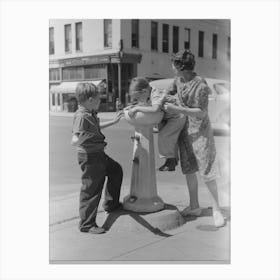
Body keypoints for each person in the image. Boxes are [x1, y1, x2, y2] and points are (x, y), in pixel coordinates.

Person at [163, 49, 225, 227]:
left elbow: (201, 112)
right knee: (189, 169)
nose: (172, 67)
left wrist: (177, 109)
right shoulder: (178, 80)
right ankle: (194, 205)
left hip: (201, 133)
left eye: (174, 64)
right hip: (184, 131)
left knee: (207, 171)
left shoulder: (201, 85)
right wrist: (167, 98)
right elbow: (171, 93)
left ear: (181, 66)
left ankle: (217, 210)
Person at [71, 82, 124, 234]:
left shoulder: (89, 113)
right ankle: (87, 225)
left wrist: (113, 121)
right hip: (90, 157)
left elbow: (95, 128)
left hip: (98, 154)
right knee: (91, 190)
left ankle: (111, 204)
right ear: (90, 100)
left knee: (115, 170)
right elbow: (74, 139)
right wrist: (79, 140)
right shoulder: (82, 116)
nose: (100, 101)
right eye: (98, 98)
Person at [127, 77, 186, 171]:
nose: (138, 100)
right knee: (167, 138)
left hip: (177, 116)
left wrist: (136, 109)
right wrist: (135, 106)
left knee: (164, 136)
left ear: (144, 91)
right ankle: (172, 160)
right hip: (168, 117)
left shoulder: (155, 94)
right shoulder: (149, 93)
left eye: (138, 98)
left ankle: (171, 161)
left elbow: (155, 109)